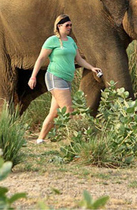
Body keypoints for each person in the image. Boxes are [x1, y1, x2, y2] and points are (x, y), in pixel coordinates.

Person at [28, 14, 102, 144]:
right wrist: (33, 76)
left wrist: (91, 68)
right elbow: (40, 59)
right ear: (59, 26)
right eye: (67, 25)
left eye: (71, 25)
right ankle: (78, 142)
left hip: (67, 79)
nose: (69, 27)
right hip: (55, 77)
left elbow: (78, 59)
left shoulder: (71, 41)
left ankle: (40, 139)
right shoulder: (52, 40)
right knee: (68, 111)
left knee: (55, 112)